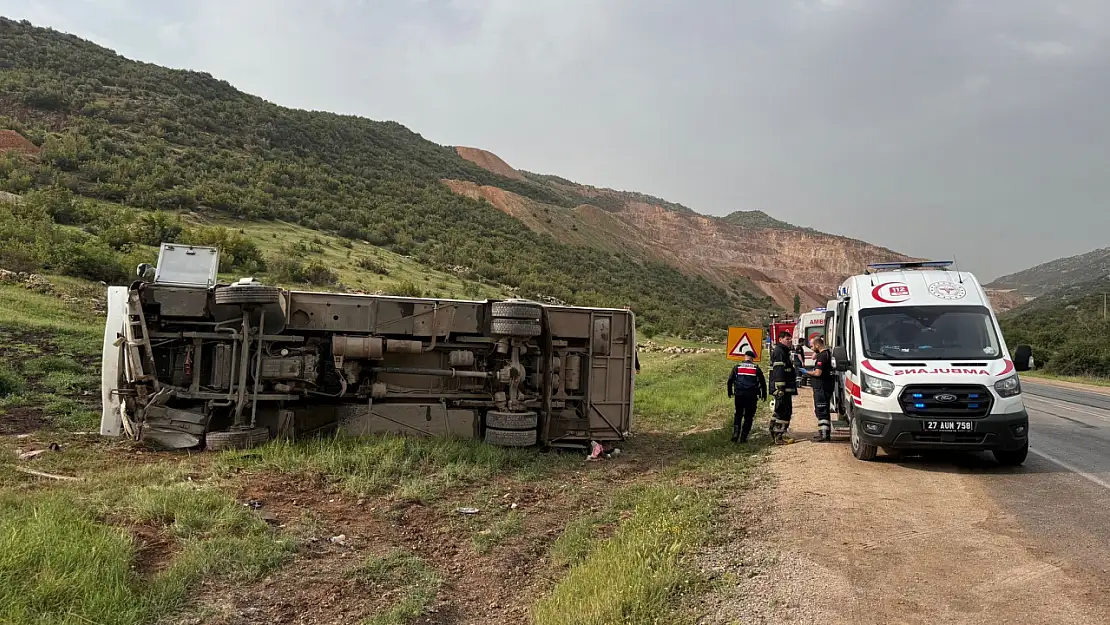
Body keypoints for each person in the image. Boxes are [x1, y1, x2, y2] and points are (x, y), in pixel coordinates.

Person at [727, 350, 767, 443]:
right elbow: (762, 382)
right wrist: (763, 394)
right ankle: (743, 437)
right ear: (752, 358)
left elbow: (730, 380)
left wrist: (730, 391)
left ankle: (736, 433)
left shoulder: (737, 367)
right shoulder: (756, 368)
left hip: (739, 394)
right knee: (749, 416)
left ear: (745, 357)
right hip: (751, 395)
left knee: (738, 414)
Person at [769, 331, 799, 444]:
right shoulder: (779, 351)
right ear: (780, 339)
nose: (790, 341)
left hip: (785, 388)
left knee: (780, 410)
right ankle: (779, 436)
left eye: (790, 339)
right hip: (782, 389)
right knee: (784, 412)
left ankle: (774, 431)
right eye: (787, 339)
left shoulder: (783, 351)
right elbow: (779, 371)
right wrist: (780, 388)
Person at [805, 336, 834, 442]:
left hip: (821, 386)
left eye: (812, 346)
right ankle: (824, 432)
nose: (811, 348)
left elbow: (818, 373)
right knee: (823, 409)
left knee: (821, 410)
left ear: (817, 345)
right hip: (824, 386)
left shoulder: (822, 356)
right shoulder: (827, 353)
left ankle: (824, 434)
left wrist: (806, 372)